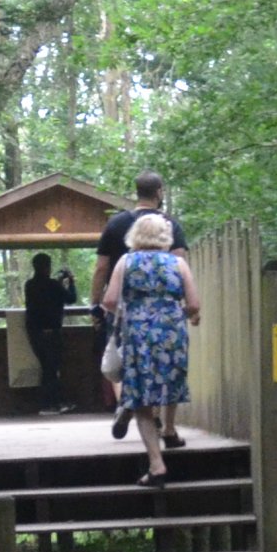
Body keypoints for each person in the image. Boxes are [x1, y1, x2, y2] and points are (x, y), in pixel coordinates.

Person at [100, 211, 201, 477]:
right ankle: (169, 428)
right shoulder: (178, 264)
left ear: (135, 235)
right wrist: (190, 315)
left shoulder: (126, 261)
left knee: (142, 398)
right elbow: (193, 304)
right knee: (171, 382)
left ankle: (156, 464)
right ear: (164, 237)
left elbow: (109, 301)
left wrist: (130, 308)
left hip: (138, 334)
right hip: (171, 332)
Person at [92, 172, 167, 427]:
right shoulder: (168, 224)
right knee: (156, 358)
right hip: (159, 307)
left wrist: (95, 304)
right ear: (159, 191)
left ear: (137, 191)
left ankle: (125, 402)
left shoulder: (115, 224)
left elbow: (101, 267)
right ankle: (155, 414)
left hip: (121, 304)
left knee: (118, 356)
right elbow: (180, 261)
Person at [21, 253, 78, 414]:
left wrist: (58, 283)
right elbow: (70, 298)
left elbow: (45, 296)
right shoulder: (53, 285)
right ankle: (51, 404)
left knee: (47, 368)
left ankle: (51, 403)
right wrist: (71, 282)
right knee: (52, 368)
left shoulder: (29, 285)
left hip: (35, 333)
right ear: (48, 266)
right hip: (52, 332)